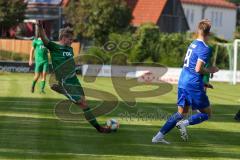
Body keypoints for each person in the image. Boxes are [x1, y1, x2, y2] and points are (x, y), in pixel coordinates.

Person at [152, 19, 219, 144]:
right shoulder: (205, 48)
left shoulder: (192, 43)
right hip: (193, 84)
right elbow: (198, 69)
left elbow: (191, 66)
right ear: (209, 33)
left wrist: (203, 83)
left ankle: (158, 137)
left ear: (198, 30)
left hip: (183, 81)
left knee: (181, 112)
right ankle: (184, 124)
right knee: (207, 114)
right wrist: (211, 70)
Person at [36, 21, 111, 133]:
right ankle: (99, 128)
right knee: (83, 104)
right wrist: (40, 27)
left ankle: (62, 91)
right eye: (70, 39)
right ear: (63, 38)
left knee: (84, 102)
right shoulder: (54, 47)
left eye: (72, 39)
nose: (72, 42)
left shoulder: (70, 49)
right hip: (66, 82)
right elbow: (44, 39)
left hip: (74, 79)